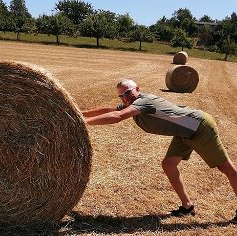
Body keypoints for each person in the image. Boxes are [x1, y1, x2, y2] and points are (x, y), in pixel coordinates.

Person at [82, 79, 237, 223]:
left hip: (199, 127)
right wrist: (80, 114)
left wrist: (83, 123)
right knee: (169, 164)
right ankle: (187, 206)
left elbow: (117, 116)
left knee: (227, 169)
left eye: (128, 92)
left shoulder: (144, 101)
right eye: (121, 95)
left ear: (137, 89)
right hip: (184, 132)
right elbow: (109, 109)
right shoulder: (133, 103)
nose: (125, 98)